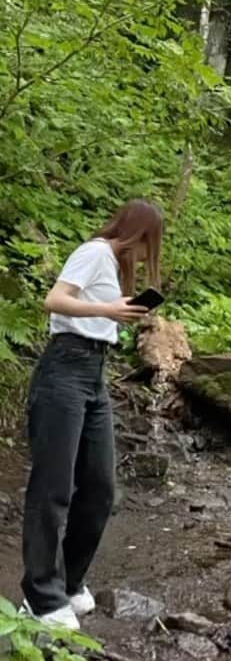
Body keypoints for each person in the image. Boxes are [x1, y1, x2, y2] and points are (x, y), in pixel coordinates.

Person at [21, 199, 164, 629]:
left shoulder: (112, 264)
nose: (145, 254)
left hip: (94, 373)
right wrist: (108, 310)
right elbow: (55, 300)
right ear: (135, 234)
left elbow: (94, 311)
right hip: (64, 371)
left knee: (100, 486)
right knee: (53, 486)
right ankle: (40, 595)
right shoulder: (96, 251)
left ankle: (68, 582)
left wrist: (118, 309)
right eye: (147, 244)